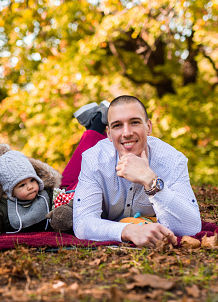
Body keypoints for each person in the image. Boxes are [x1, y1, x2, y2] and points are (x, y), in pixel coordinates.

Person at [66, 95, 201, 247]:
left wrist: (151, 181)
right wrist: (129, 231)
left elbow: (192, 227)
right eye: (117, 125)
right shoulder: (93, 159)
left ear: (148, 127)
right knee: (65, 183)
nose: (127, 132)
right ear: (109, 134)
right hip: (74, 187)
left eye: (134, 122)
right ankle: (96, 122)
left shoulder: (173, 160)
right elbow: (82, 223)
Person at [0, 144, 55, 238]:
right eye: (22, 185)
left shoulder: (46, 195)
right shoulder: (4, 205)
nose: (30, 187)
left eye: (32, 180)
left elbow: (61, 204)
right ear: (11, 191)